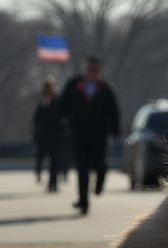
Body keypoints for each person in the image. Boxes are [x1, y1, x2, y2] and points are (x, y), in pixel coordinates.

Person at [57, 56, 121, 215]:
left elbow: (113, 111)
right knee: (82, 168)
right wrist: (62, 120)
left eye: (96, 70)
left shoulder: (105, 89)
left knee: (99, 163)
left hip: (99, 135)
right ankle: (83, 202)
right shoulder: (74, 85)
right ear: (85, 69)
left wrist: (115, 130)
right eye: (90, 69)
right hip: (79, 133)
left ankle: (100, 179)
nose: (93, 72)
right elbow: (62, 105)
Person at [31, 78, 61, 191]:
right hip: (43, 135)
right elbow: (37, 119)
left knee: (54, 160)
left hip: (54, 135)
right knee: (40, 156)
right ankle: (39, 172)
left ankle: (53, 182)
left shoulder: (58, 101)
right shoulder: (43, 102)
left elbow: (60, 117)